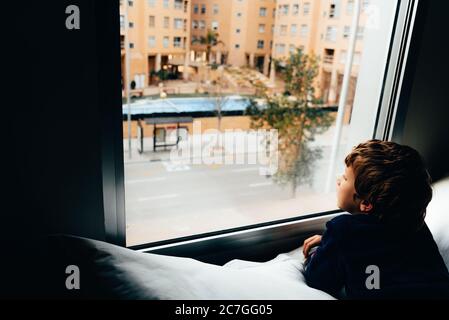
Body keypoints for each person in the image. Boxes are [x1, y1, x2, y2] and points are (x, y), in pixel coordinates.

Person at [302, 140, 449, 299]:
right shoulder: (417, 226)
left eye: (345, 178)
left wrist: (324, 248)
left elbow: (318, 279)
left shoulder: (342, 230)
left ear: (365, 203)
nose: (338, 180)